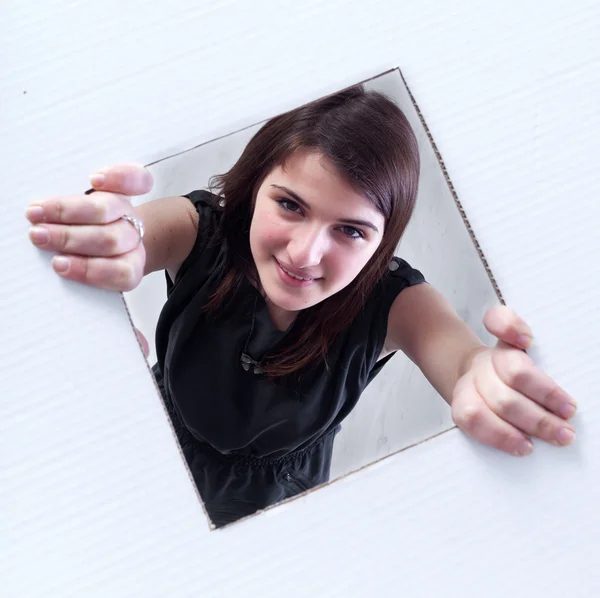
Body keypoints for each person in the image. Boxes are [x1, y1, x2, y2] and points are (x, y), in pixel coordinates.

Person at [26, 86, 577, 527]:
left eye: (351, 230)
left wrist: (483, 375)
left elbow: (461, 360)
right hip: (150, 449)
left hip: (275, 510)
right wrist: (108, 230)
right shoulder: (203, 230)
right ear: (254, 185)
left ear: (382, 241)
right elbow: (138, 230)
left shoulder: (395, 302)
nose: (304, 253)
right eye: (290, 204)